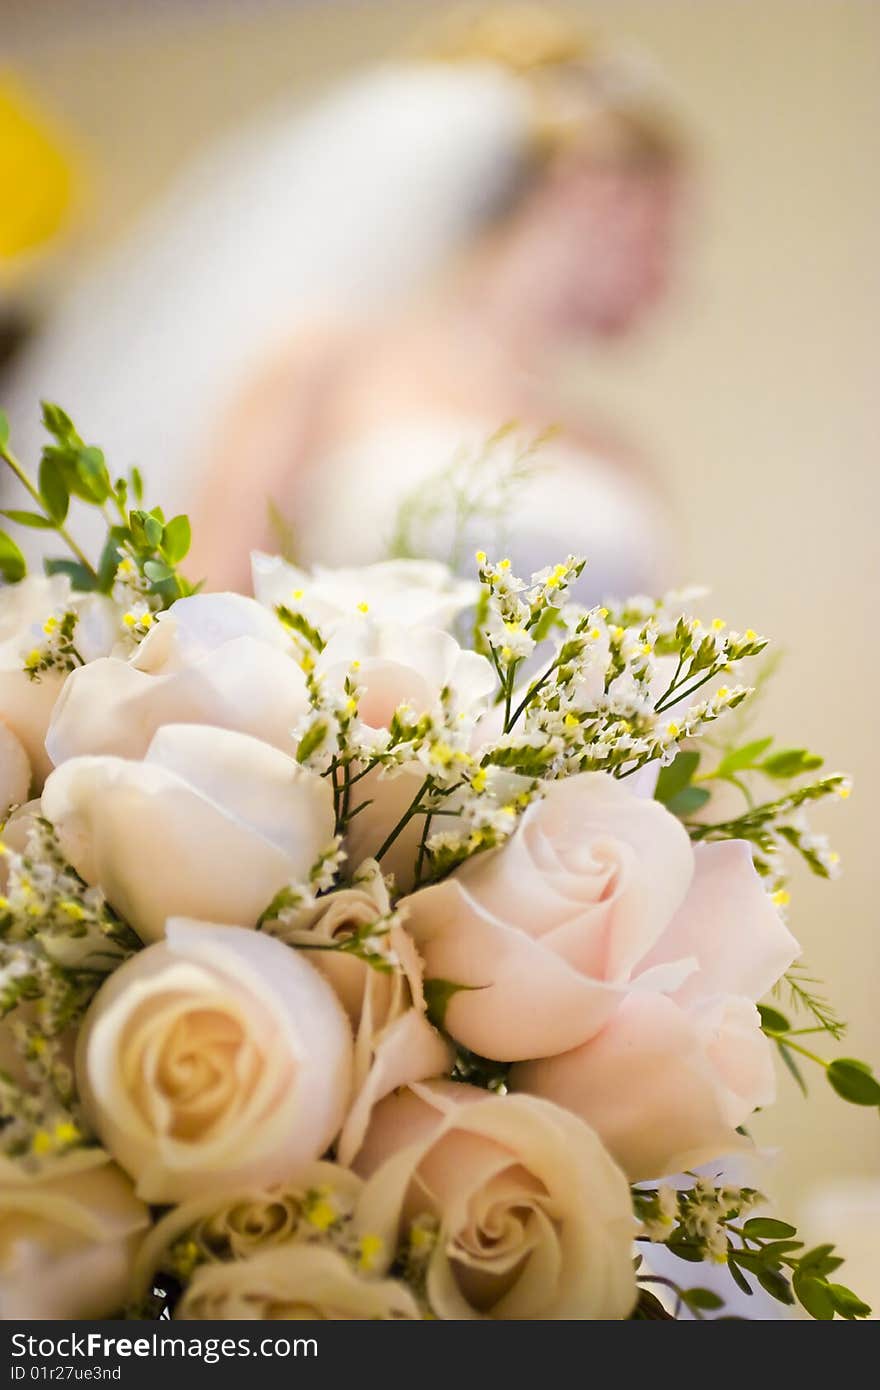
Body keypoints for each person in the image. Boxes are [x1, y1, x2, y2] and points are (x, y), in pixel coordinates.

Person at [4, 6, 685, 598]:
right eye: (658, 232)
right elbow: (207, 616)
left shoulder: (614, 452)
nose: (669, 276)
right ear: (589, 195)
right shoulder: (325, 364)